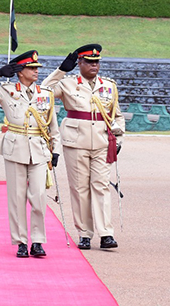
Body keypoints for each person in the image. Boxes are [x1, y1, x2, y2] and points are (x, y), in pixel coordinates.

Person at [0, 50, 62, 258]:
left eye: (37, 68)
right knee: (16, 198)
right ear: (20, 71)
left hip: (40, 150)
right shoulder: (6, 91)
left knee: (39, 196)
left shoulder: (45, 93)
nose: (36, 71)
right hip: (15, 148)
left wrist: (55, 150)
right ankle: (21, 241)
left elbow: (53, 126)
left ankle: (38, 241)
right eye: (31, 68)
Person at [42, 44, 125, 251]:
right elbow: (43, 90)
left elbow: (117, 115)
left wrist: (119, 138)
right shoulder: (68, 84)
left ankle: (106, 233)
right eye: (89, 62)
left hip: (102, 142)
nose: (94, 65)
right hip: (76, 141)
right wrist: (61, 70)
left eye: (97, 62)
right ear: (79, 63)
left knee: (101, 186)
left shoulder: (109, 85)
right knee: (79, 189)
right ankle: (84, 233)